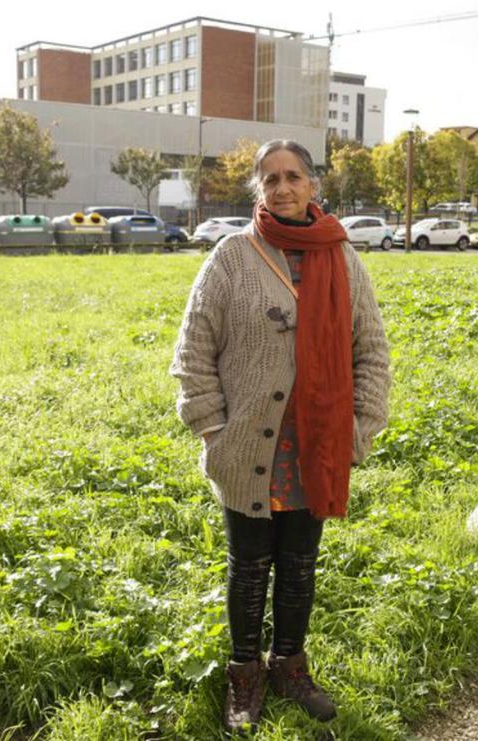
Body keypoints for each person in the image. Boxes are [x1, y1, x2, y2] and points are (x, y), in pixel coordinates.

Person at [170, 139, 391, 732]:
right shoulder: (231, 256)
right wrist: (213, 429)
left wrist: (359, 430)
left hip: (316, 444)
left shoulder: (342, 258)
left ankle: (290, 665)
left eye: (294, 176)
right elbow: (194, 349)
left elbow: (370, 350)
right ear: (258, 191)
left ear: (314, 185)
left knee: (299, 564)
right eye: (271, 179)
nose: (284, 188)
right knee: (248, 566)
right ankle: (244, 676)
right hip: (247, 447)